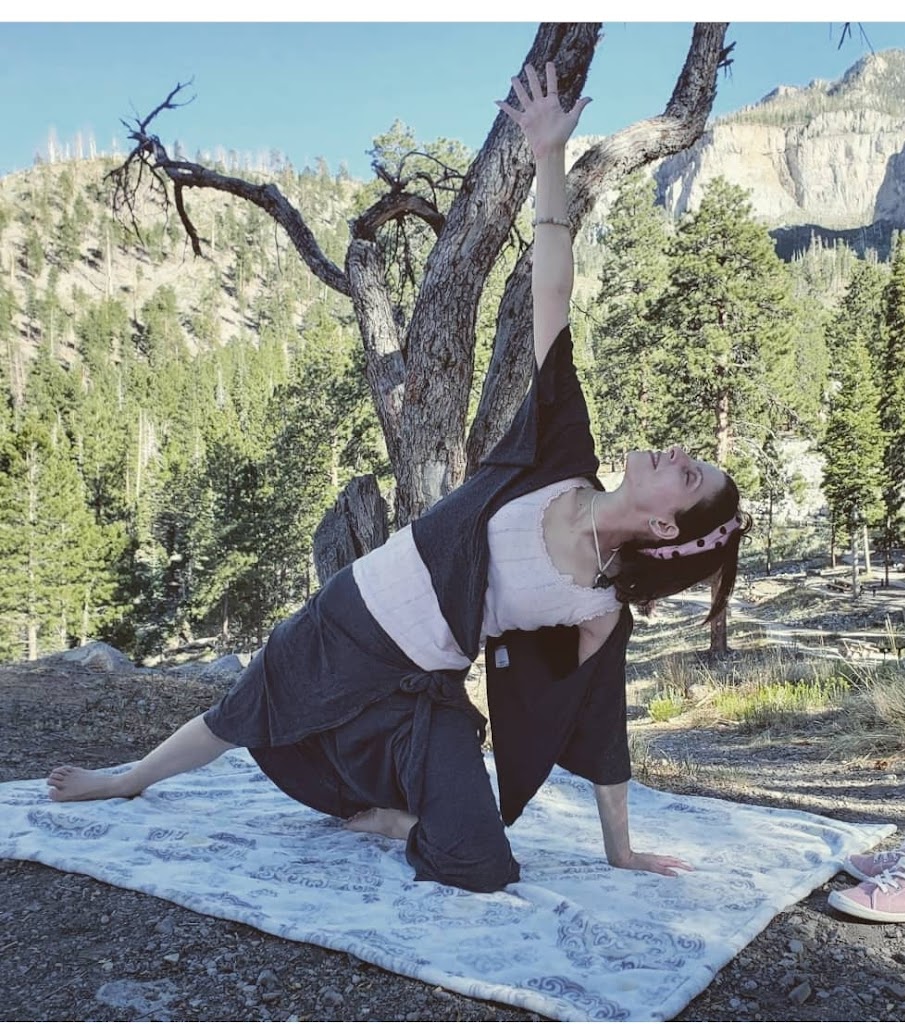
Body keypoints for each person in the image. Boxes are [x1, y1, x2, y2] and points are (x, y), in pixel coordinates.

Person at [47, 63, 750, 894]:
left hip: (422, 686)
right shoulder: (560, 449)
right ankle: (129, 778)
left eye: (689, 474)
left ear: (665, 527)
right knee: (246, 710)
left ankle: (395, 817)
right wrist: (549, 156)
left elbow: (601, 727)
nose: (676, 453)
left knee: (482, 863)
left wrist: (620, 851)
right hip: (350, 616)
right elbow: (555, 294)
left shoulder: (596, 609)